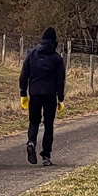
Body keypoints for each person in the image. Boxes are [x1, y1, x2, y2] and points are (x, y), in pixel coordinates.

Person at [18, 26, 67, 165]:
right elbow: (60, 80)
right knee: (48, 124)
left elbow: (24, 75)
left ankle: (31, 142)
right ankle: (46, 155)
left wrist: (23, 93)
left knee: (34, 121)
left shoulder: (32, 54)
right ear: (54, 41)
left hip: (34, 93)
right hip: (50, 95)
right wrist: (61, 98)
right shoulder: (57, 58)